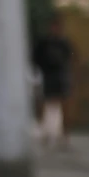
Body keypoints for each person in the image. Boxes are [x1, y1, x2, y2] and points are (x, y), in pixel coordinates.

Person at [32, 16, 74, 148]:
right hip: (46, 76)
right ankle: (43, 132)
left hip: (60, 76)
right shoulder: (43, 43)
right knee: (42, 103)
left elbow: (71, 58)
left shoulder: (64, 42)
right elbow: (35, 59)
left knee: (65, 105)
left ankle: (65, 136)